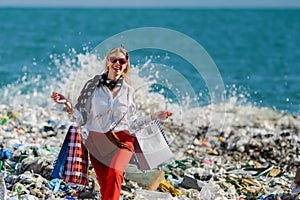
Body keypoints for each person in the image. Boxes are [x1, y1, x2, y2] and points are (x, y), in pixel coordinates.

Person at [51, 46, 172, 200]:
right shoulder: (92, 88)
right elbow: (81, 119)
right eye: (113, 59)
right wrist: (67, 104)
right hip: (97, 142)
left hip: (123, 141)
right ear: (107, 62)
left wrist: (154, 116)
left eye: (122, 60)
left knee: (116, 173)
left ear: (126, 64)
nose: (117, 63)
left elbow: (132, 123)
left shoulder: (128, 91)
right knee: (106, 188)